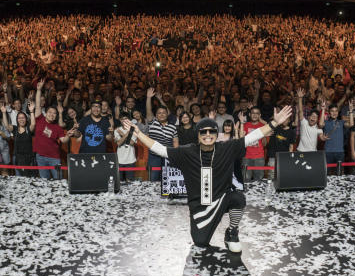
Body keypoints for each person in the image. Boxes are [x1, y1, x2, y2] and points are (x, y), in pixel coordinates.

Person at [122, 104, 294, 253]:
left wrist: (274, 123)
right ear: (198, 135)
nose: (207, 134)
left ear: (216, 133)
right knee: (200, 242)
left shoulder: (226, 148)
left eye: (212, 131)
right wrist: (138, 133)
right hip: (200, 207)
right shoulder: (187, 152)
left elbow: (252, 137)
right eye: (203, 132)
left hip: (221, 198)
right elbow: (159, 149)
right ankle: (206, 227)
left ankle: (232, 232)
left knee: (238, 197)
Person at [32, 84, 74, 180]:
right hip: (40, 157)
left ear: (56, 116)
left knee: (58, 181)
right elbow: (38, 105)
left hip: (54, 158)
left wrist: (67, 135)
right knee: (44, 181)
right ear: (46, 113)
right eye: (50, 112)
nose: (52, 115)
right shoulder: (40, 119)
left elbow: (64, 140)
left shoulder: (57, 128)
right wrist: (38, 90)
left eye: (54, 113)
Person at [145, 87, 178, 181]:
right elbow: (148, 111)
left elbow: (175, 143)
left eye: (164, 113)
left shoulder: (173, 127)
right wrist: (148, 98)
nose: (162, 114)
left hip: (168, 156)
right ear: (156, 115)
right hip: (154, 156)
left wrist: (176, 156)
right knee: (153, 179)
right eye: (159, 113)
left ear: (167, 114)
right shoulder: (152, 123)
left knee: (167, 179)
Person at [321, 99, 352, 175]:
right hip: (328, 152)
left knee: (339, 173)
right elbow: (321, 124)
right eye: (332, 111)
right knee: (327, 173)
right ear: (329, 112)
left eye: (336, 111)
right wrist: (323, 110)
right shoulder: (326, 122)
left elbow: (351, 124)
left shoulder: (341, 122)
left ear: (338, 112)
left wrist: (351, 111)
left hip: (340, 152)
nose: (334, 113)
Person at [242, 107, 268, 183]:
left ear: (259, 115)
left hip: (259, 157)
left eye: (257, 113)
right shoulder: (245, 125)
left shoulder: (263, 126)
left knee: (259, 180)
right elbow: (241, 141)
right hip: (246, 156)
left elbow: (265, 144)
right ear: (249, 114)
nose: (255, 115)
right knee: (246, 179)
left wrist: (264, 135)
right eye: (253, 113)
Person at [114, 114, 138, 182]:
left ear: (129, 120)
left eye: (126, 118)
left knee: (129, 181)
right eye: (122, 119)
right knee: (119, 182)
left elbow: (132, 143)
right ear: (120, 120)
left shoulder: (134, 130)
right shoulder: (117, 130)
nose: (124, 120)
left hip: (130, 160)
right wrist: (127, 134)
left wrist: (122, 135)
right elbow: (119, 143)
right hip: (119, 160)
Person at [11, 111, 35, 176]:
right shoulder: (15, 129)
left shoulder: (28, 129)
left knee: (29, 179)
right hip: (17, 158)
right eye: (19, 118)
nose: (21, 119)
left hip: (28, 159)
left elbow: (33, 124)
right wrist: (4, 112)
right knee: (19, 179)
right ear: (17, 120)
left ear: (26, 119)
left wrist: (31, 112)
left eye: (23, 117)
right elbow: (7, 125)